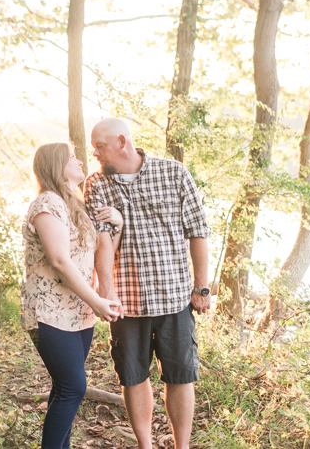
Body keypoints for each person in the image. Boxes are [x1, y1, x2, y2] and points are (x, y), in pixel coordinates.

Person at [84, 118, 210, 449]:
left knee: (181, 377)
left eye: (99, 147)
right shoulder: (96, 184)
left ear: (122, 142)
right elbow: (102, 241)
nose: (95, 153)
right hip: (127, 302)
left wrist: (202, 287)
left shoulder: (174, 173)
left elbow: (198, 231)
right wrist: (105, 292)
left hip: (175, 298)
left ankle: (181, 446)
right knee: (133, 376)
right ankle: (145, 445)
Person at [21, 142, 124, 449]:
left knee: (64, 388)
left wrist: (117, 225)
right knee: (73, 387)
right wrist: (97, 300)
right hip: (50, 313)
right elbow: (59, 260)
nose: (81, 162)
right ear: (57, 166)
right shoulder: (46, 204)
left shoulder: (73, 205)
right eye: (72, 158)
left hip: (78, 313)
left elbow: (96, 254)